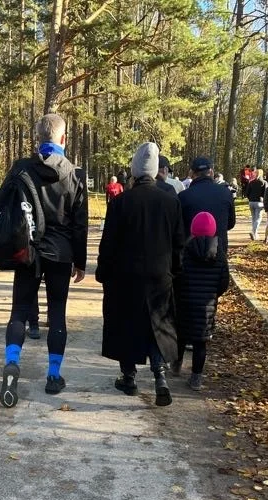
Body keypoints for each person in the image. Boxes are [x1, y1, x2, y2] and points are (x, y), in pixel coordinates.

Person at [0, 113, 88, 407]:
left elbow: (4, 204)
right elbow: (79, 223)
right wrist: (80, 261)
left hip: (27, 250)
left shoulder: (21, 168)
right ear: (63, 139)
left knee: (20, 310)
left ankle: (12, 361)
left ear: (38, 138)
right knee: (57, 312)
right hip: (60, 254)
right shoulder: (75, 174)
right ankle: (53, 375)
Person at [97, 142, 184, 407]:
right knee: (157, 324)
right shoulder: (171, 202)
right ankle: (160, 376)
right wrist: (175, 271)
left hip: (126, 277)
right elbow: (179, 242)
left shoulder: (122, 202)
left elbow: (108, 243)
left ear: (134, 171)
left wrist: (103, 272)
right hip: (160, 275)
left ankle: (129, 377)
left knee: (127, 325)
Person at [172, 212, 229, 391]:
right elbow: (223, 281)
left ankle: (176, 364)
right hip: (206, 305)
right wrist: (213, 295)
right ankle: (196, 377)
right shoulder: (219, 253)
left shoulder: (185, 250)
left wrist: (178, 293)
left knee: (180, 335)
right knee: (200, 342)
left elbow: (177, 275)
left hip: (184, 301)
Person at [179, 157, 236, 259]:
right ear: (211, 172)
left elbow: (179, 226)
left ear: (191, 173)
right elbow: (230, 223)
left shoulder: (183, 196)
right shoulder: (226, 193)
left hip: (191, 251)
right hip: (218, 250)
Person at [246, 168, 267, 240]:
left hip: (251, 202)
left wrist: (250, 199)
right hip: (259, 202)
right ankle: (253, 231)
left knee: (253, 218)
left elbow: (247, 193)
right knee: (258, 218)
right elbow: (265, 194)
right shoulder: (264, 182)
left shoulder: (251, 182)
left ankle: (255, 234)